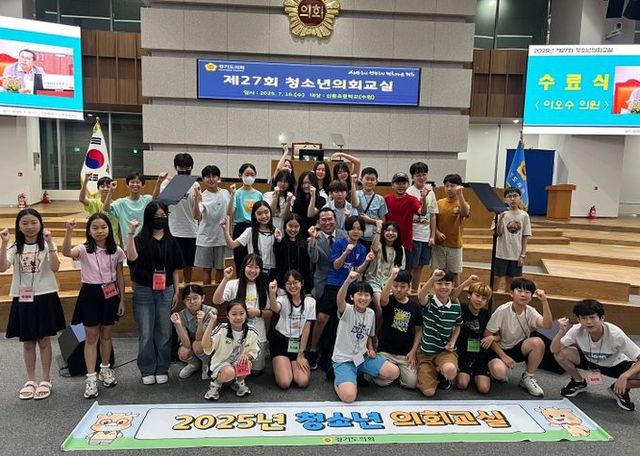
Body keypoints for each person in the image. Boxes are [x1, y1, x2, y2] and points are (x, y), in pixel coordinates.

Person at [0, 209, 65, 400]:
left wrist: (50, 243)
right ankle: (30, 380)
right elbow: (2, 267)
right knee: (28, 342)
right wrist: (4, 244)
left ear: (40, 223)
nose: (30, 227)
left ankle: (45, 380)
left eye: (34, 222)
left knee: (44, 340)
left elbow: (55, 267)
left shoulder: (47, 244)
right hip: (23, 298)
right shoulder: (15, 247)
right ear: (19, 226)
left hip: (45, 295)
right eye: (25, 223)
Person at [62, 214, 125, 399]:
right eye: (95, 228)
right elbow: (66, 252)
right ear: (89, 231)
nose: (99, 231)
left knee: (106, 335)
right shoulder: (84, 249)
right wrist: (68, 231)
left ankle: (105, 369)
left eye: (103, 227)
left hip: (110, 294)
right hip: (90, 294)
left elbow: (120, 276)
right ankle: (91, 377)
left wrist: (122, 300)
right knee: (91, 337)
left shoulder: (116, 250)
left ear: (109, 229)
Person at [126, 201, 185, 385]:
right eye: (157, 216)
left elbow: (175, 269)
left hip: (166, 290)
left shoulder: (171, 240)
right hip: (144, 289)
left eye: (163, 216)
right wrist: (130, 233)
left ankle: (162, 367)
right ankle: (147, 368)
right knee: (146, 331)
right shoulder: (140, 239)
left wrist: (176, 291)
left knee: (165, 331)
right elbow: (131, 258)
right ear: (149, 218)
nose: (160, 219)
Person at [308, 215, 374, 372]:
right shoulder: (339, 243)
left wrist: (367, 261)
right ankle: (312, 350)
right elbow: (336, 266)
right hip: (334, 283)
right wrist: (345, 253)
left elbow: (358, 271)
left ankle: (336, 354)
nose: (356, 231)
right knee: (322, 317)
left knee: (343, 322)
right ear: (347, 230)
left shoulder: (362, 248)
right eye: (353, 228)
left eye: (359, 229)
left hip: (351, 286)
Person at [551, 299, 640, 411]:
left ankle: (619, 390)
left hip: (614, 365)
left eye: (592, 317)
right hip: (589, 362)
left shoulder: (616, 334)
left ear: (602, 318)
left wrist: (624, 376)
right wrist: (560, 333)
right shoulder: (576, 330)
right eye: (584, 318)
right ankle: (578, 382)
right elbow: (554, 350)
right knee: (560, 353)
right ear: (579, 320)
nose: (588, 322)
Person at [332, 271, 400, 403]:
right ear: (352, 297)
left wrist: (371, 348)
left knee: (394, 372)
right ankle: (339, 380)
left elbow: (368, 334)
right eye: (359, 294)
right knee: (349, 397)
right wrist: (347, 281)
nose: (363, 298)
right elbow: (339, 299)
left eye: (366, 295)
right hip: (344, 359)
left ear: (371, 297)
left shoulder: (371, 313)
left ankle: (355, 375)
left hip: (362, 357)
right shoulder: (347, 310)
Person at [484, 277, 552, 397]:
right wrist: (504, 357)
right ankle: (492, 369)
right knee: (500, 374)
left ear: (531, 297)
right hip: (500, 349)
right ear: (511, 293)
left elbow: (547, 325)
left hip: (518, 348)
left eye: (527, 292)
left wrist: (544, 302)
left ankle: (527, 378)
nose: (523, 294)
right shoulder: (502, 310)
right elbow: (487, 335)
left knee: (537, 342)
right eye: (519, 291)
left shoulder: (530, 311)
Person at [212, 256, 271, 375]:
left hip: (256, 335)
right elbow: (216, 300)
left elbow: (270, 313)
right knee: (232, 370)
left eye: (257, 267)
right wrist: (225, 278)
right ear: (243, 267)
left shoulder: (263, 287)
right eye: (249, 266)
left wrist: (258, 312)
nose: (253, 270)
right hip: (235, 335)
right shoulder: (233, 284)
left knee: (255, 371)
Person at [306, 208, 346, 368]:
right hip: (323, 282)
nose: (327, 222)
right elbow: (313, 258)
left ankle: (332, 353)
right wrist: (313, 239)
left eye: (330, 219)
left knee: (338, 320)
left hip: (342, 282)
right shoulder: (314, 237)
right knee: (322, 318)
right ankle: (313, 350)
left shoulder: (344, 235)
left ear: (336, 220)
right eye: (323, 220)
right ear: (318, 222)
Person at [415, 269, 463, 397]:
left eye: (447, 284)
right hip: (426, 353)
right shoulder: (429, 301)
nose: (443, 287)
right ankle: (434, 373)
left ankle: (442, 373)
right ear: (433, 286)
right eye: (439, 283)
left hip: (444, 351)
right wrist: (432, 278)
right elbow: (420, 296)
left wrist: (452, 341)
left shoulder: (456, 307)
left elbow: (458, 325)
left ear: (453, 285)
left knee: (450, 371)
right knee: (428, 392)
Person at [373, 268, 422, 389]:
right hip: (385, 351)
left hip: (405, 354)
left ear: (409, 287)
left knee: (411, 383)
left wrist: (413, 351)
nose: (398, 289)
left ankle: (395, 370)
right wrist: (391, 277)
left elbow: (419, 330)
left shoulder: (414, 307)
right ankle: (394, 370)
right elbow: (382, 299)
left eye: (403, 286)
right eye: (395, 286)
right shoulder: (389, 301)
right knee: (380, 382)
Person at [202, 301, 260, 400]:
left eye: (241, 313)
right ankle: (215, 384)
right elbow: (205, 345)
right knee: (229, 372)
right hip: (222, 365)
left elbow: (255, 351)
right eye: (234, 314)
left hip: (237, 363)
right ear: (227, 315)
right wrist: (212, 321)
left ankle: (238, 382)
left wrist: (246, 355)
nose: (238, 317)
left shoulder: (251, 330)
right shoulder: (222, 329)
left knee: (247, 364)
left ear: (246, 314)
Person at [269, 270, 315, 389]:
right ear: (285, 285)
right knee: (285, 382)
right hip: (280, 342)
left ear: (302, 283)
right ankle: (281, 366)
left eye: (295, 282)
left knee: (302, 381)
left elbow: (307, 329)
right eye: (288, 283)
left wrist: (301, 354)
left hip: (298, 344)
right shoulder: (282, 299)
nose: (292, 286)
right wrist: (272, 293)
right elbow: (275, 308)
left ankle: (291, 365)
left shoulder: (310, 302)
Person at [158, 153, 199, 283]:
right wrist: (175, 185)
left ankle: (187, 286)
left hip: (191, 231)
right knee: (170, 262)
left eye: (187, 167)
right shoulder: (167, 183)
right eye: (181, 167)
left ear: (191, 167)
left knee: (188, 264)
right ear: (176, 167)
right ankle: (171, 287)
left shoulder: (195, 184)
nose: (184, 170)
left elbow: (197, 213)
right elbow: (160, 202)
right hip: (172, 230)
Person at [451, 275, 496, 394]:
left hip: (480, 355)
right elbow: (452, 296)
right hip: (463, 353)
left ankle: (477, 373)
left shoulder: (487, 315)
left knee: (484, 389)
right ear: (469, 295)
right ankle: (465, 372)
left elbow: (499, 334)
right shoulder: (461, 308)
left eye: (484, 298)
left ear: (486, 301)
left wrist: (492, 337)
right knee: (462, 384)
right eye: (477, 295)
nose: (479, 300)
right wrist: (467, 282)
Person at [384, 172, 428, 279]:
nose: (401, 186)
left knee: (405, 274)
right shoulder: (386, 199)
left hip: (406, 243)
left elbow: (422, 212)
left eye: (403, 183)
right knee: (386, 272)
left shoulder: (412, 200)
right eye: (398, 183)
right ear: (392, 185)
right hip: (388, 242)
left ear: (408, 184)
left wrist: (423, 199)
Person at [365, 219, 405, 332]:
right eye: (387, 230)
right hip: (374, 281)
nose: (390, 233)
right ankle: (375, 335)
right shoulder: (379, 244)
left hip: (390, 283)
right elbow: (374, 249)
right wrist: (378, 229)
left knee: (394, 307)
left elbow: (401, 270)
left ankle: (388, 334)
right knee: (380, 308)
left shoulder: (400, 249)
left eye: (394, 231)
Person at [103, 171, 163, 247]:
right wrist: (111, 190)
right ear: (127, 185)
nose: (135, 184)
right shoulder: (121, 203)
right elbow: (106, 208)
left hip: (147, 242)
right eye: (132, 182)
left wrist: (159, 182)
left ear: (143, 185)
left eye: (138, 182)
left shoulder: (147, 199)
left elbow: (155, 199)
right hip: (129, 243)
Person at [222, 201, 279, 281]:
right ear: (254, 216)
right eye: (259, 213)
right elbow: (232, 245)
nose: (264, 216)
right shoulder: (250, 231)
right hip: (254, 271)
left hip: (273, 272)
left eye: (266, 212)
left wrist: (279, 240)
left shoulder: (276, 231)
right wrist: (225, 231)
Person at [192, 165, 229, 285]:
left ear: (219, 178)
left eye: (214, 176)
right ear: (203, 179)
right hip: (205, 238)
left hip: (221, 237)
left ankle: (219, 293)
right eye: (208, 176)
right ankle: (207, 293)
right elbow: (196, 216)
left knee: (220, 269)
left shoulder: (225, 193)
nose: (211, 179)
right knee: (206, 269)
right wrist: (197, 200)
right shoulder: (202, 196)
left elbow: (230, 212)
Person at [171, 284, 214, 381]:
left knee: (197, 344)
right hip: (191, 345)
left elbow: (200, 338)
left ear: (202, 298)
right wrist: (178, 325)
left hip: (207, 345)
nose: (192, 302)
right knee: (183, 352)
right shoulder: (181, 315)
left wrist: (200, 322)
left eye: (195, 298)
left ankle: (206, 364)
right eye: (188, 299)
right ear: (184, 301)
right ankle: (194, 364)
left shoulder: (211, 312)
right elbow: (186, 344)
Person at [433, 174, 470, 286]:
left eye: (452, 186)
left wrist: (460, 195)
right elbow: (432, 221)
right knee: (438, 272)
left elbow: (465, 213)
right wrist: (437, 233)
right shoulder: (439, 203)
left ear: (458, 187)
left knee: (454, 273)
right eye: (447, 186)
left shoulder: (462, 203)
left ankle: (455, 294)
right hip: (439, 244)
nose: (449, 188)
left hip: (455, 244)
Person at [407, 162, 438, 293]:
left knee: (420, 266)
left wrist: (432, 235)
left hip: (425, 236)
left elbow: (433, 215)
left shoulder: (431, 192)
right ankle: (406, 291)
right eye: (418, 175)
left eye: (424, 174)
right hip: (413, 235)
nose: (421, 177)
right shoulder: (409, 192)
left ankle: (415, 291)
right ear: (413, 177)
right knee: (410, 266)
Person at [227, 163, 263, 272]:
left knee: (255, 260)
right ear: (240, 175)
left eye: (252, 174)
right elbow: (229, 212)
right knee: (240, 261)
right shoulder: (237, 193)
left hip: (255, 228)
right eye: (247, 174)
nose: (249, 177)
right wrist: (232, 194)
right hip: (240, 228)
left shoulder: (259, 194)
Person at [494, 187, 532, 292]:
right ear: (505, 199)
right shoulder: (500, 213)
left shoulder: (524, 215)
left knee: (511, 280)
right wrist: (500, 219)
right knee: (496, 278)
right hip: (501, 253)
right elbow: (497, 233)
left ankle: (507, 297)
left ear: (520, 198)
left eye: (515, 196)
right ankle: (493, 297)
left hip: (516, 253)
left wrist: (522, 255)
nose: (512, 199)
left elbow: (525, 236)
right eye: (509, 196)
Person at [273, 213, 312, 294]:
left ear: (300, 227)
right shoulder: (281, 242)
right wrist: (278, 241)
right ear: (285, 226)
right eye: (290, 226)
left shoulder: (304, 244)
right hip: (283, 285)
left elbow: (306, 267)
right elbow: (276, 252)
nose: (293, 229)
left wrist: (307, 286)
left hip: (300, 286)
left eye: (296, 226)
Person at [79, 174, 120, 242]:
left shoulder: (117, 205)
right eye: (102, 186)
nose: (105, 189)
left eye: (108, 187)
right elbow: (82, 199)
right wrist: (86, 181)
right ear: (98, 189)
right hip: (95, 238)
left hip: (112, 239)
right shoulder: (94, 202)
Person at [354, 166, 387, 251]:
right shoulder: (355, 195)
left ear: (376, 181)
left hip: (374, 237)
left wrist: (370, 221)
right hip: (357, 236)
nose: (369, 182)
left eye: (372, 179)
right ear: (361, 180)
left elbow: (383, 221)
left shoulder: (380, 199)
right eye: (367, 179)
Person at [292, 171, 326, 236]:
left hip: (315, 233)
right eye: (304, 183)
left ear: (314, 183)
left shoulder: (321, 200)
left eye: (309, 183)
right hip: (299, 234)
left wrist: (313, 196)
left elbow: (310, 214)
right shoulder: (296, 200)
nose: (306, 185)